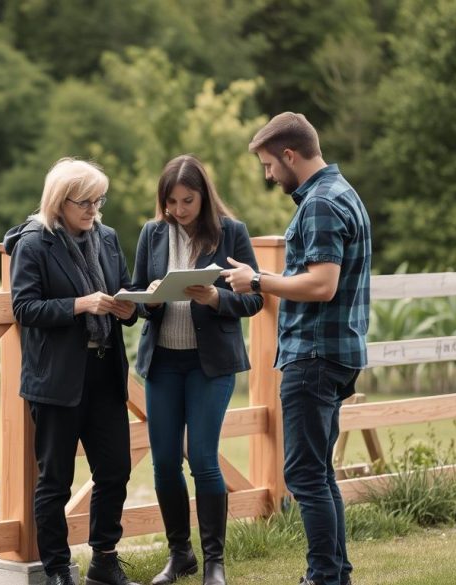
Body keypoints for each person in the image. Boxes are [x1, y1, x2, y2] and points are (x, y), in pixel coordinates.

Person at [223, 112, 371, 585]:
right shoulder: (344, 192)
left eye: (269, 165)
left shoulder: (321, 203)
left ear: (290, 155)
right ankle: (336, 574)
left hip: (314, 356)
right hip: (338, 355)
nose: (268, 175)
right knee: (320, 474)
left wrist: (257, 280)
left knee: (304, 477)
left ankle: (322, 577)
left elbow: (322, 284)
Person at [3, 158, 140, 585]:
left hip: (104, 372)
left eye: (99, 201)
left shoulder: (108, 237)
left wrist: (130, 305)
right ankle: (58, 570)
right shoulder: (33, 242)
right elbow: (24, 308)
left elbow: (123, 292)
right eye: (85, 202)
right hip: (57, 378)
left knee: (116, 468)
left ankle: (104, 560)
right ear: (60, 201)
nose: (94, 211)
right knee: (56, 481)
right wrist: (82, 304)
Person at [132, 155, 263, 585]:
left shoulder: (232, 233)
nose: (179, 210)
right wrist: (147, 300)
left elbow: (253, 298)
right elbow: (136, 294)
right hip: (163, 362)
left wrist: (215, 299)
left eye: (187, 201)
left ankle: (215, 563)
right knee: (164, 463)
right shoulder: (152, 234)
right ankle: (180, 555)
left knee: (203, 458)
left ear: (204, 196)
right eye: (171, 202)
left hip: (211, 364)